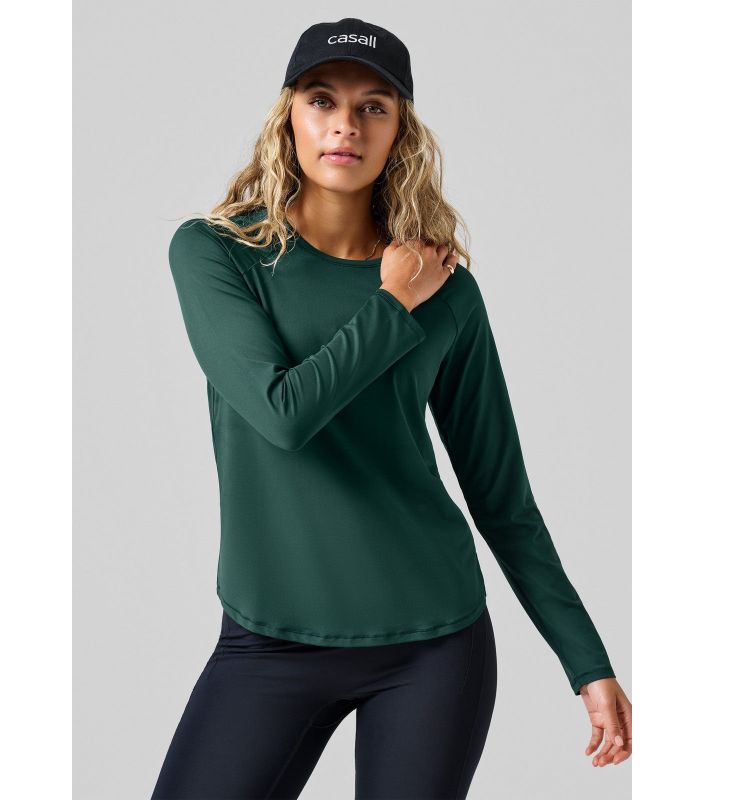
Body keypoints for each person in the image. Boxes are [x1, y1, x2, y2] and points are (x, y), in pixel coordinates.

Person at [151, 17, 631, 800]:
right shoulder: (219, 253)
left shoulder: (448, 290)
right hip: (268, 640)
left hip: (432, 646)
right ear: (288, 117)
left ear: (400, 130)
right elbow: (282, 414)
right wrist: (391, 303)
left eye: (373, 106)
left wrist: (587, 661)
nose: (346, 123)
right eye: (322, 99)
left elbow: (501, 497)